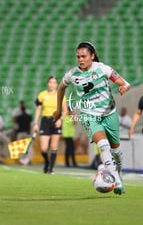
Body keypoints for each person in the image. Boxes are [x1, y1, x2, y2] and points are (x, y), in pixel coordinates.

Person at [54, 42, 131, 195]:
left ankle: (118, 174)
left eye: (83, 56)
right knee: (103, 145)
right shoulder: (72, 74)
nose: (80, 60)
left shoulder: (102, 68)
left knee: (116, 150)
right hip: (88, 115)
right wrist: (58, 109)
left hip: (109, 113)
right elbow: (61, 87)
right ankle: (116, 181)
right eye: (78, 57)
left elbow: (124, 83)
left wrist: (124, 87)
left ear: (92, 56)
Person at [33, 76, 67, 174]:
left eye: (54, 82)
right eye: (50, 82)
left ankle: (50, 169)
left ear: (57, 84)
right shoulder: (42, 95)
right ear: (48, 83)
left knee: (54, 146)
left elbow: (65, 111)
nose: (52, 84)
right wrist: (35, 123)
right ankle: (47, 163)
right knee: (43, 149)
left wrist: (60, 120)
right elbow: (38, 110)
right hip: (45, 121)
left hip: (56, 121)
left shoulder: (61, 95)